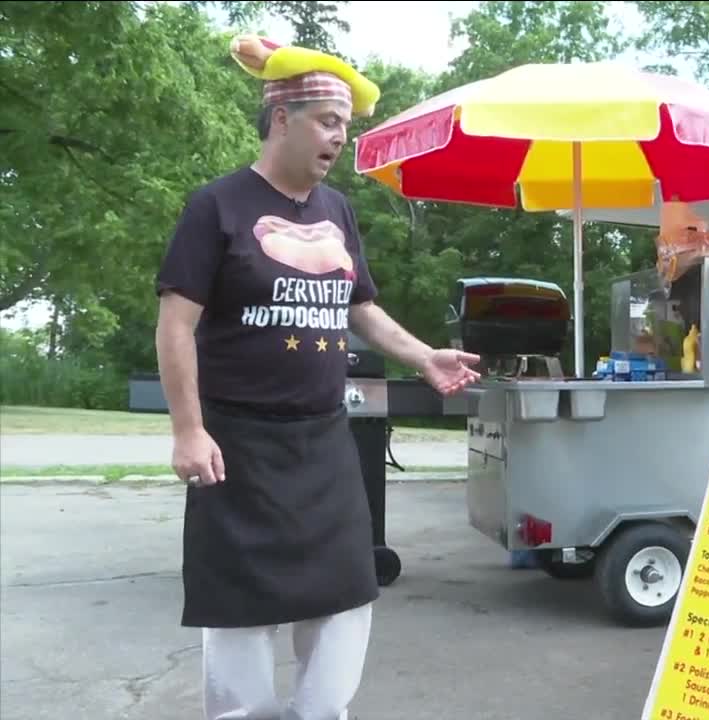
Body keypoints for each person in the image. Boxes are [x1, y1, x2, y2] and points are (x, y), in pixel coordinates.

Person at [153, 35, 480, 719]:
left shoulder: (336, 213)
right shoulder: (216, 206)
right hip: (236, 441)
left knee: (346, 596)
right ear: (282, 118)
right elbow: (176, 323)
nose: (339, 138)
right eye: (329, 121)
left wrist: (424, 355)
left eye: (345, 126)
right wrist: (189, 430)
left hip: (323, 437)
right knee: (239, 612)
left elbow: (361, 307)